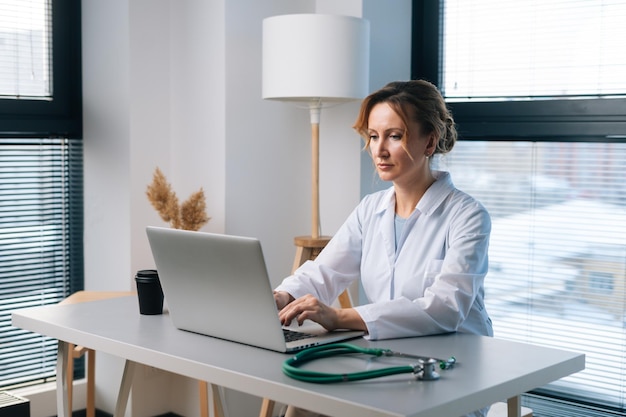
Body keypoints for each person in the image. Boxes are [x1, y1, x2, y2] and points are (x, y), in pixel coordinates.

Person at [274, 80, 493, 417]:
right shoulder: (370, 209)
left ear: (429, 141)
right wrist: (282, 297)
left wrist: (339, 317)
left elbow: (446, 308)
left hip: (454, 370)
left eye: (395, 135)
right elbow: (324, 271)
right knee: (303, 404)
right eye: (374, 136)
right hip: (390, 357)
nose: (379, 150)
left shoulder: (467, 215)